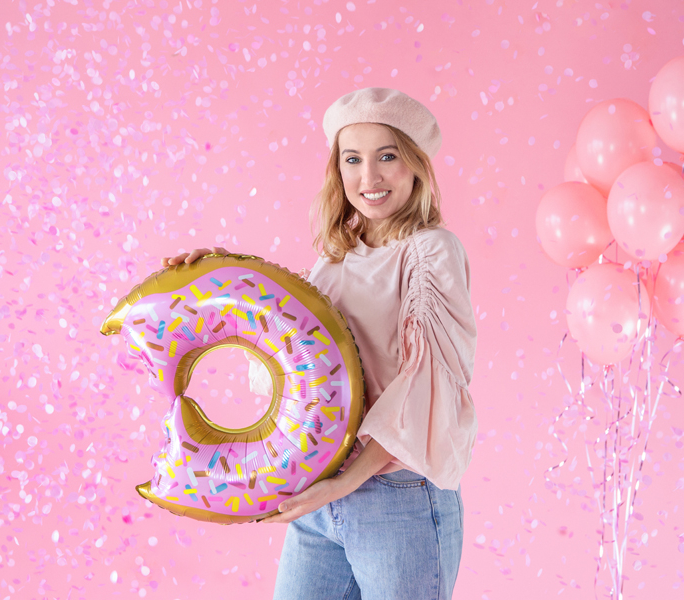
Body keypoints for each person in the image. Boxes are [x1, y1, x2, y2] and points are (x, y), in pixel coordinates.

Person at [161, 87, 478, 600]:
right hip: (323, 493)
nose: (369, 178)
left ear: (416, 164)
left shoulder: (430, 252)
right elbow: (290, 355)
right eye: (353, 159)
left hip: (396, 496)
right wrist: (223, 273)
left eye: (387, 157)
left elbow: (425, 390)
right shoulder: (336, 256)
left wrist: (344, 483)